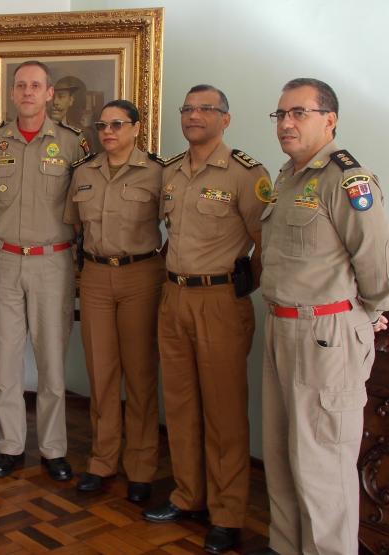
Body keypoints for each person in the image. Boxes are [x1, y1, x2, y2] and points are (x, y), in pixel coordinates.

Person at [252, 78, 389, 555]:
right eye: (280, 115)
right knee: (281, 456)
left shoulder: (347, 180)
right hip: (280, 327)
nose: (286, 123)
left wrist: (371, 313)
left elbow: (377, 264)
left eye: (298, 113)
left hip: (325, 336)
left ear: (329, 120)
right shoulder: (288, 177)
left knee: (322, 468)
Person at [141, 85, 270, 554]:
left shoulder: (245, 174)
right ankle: (187, 495)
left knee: (224, 413)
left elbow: (264, 243)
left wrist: (238, 288)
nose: (194, 116)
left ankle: (228, 512)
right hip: (173, 297)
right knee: (178, 404)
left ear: (226, 119)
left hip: (219, 301)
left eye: (205, 109)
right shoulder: (172, 172)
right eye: (188, 109)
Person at [0, 60, 90, 481]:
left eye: (36, 85)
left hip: (53, 262)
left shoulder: (72, 144)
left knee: (52, 364)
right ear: (12, 93)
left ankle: (53, 449)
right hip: (4, 261)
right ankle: (9, 446)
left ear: (48, 94)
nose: (27, 91)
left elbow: (84, 208)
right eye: (20, 85)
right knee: (5, 363)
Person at [63, 99, 165, 503]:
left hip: (142, 275)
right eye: (102, 125)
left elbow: (181, 224)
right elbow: (74, 225)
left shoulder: (158, 172)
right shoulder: (83, 173)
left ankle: (141, 467)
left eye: (117, 124)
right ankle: (102, 461)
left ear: (136, 128)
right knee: (101, 374)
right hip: (96, 276)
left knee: (140, 376)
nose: (108, 132)